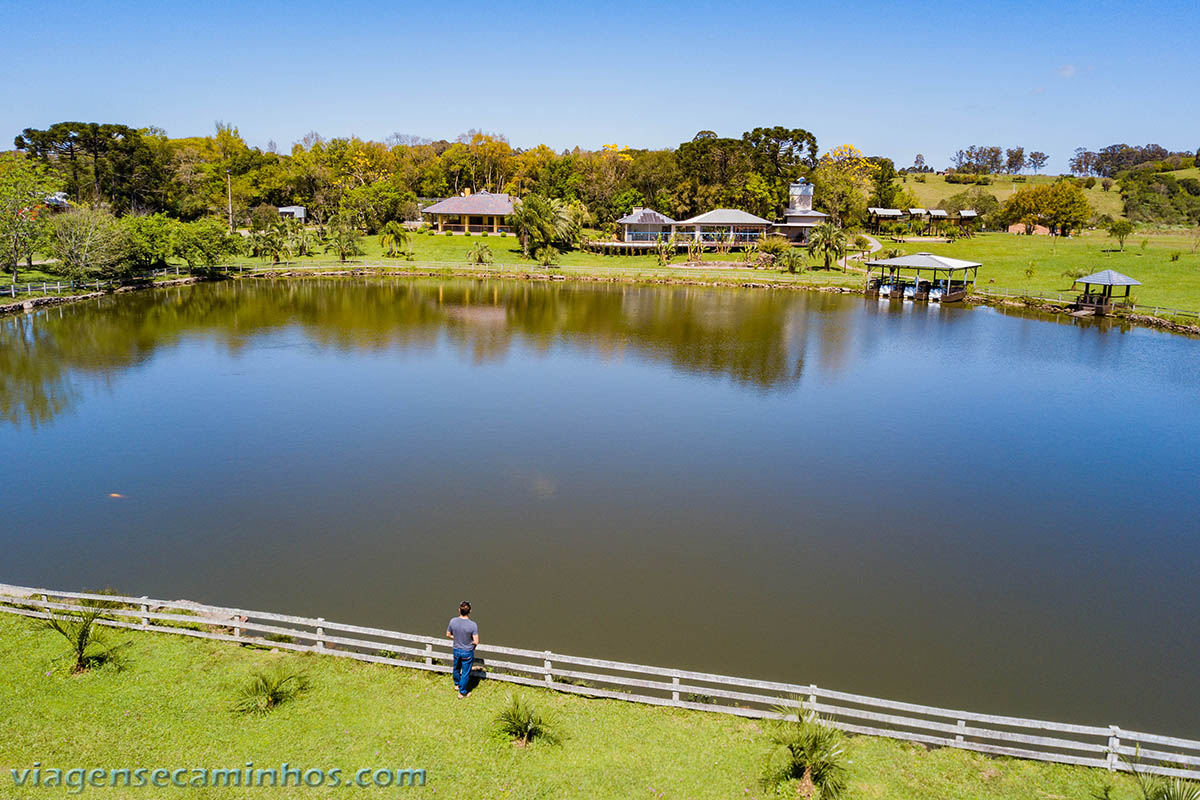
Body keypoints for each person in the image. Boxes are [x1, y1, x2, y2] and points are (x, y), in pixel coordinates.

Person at [445, 601, 478, 698]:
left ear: (459, 610)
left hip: (456, 649)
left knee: (456, 668)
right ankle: (462, 692)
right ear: (470, 611)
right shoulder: (473, 625)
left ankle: (456, 684)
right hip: (467, 651)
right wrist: (470, 643)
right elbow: (476, 641)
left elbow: (448, 634)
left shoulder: (453, 621)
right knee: (465, 672)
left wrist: (456, 637)